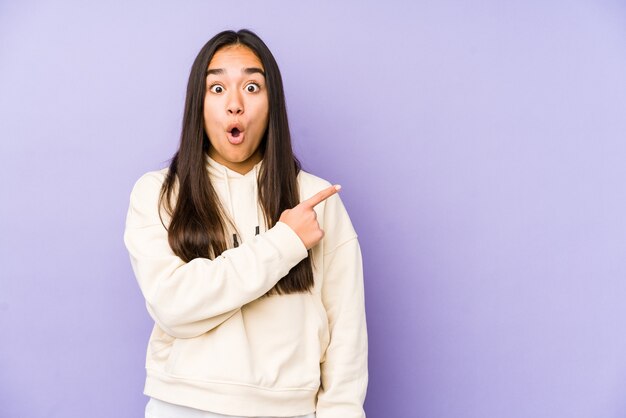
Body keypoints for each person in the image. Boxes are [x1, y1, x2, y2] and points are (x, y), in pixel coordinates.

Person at [123, 29, 368, 418]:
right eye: (217, 88)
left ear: (273, 104)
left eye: (252, 87)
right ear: (197, 104)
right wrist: (286, 242)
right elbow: (173, 305)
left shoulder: (315, 199)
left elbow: (347, 336)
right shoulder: (157, 193)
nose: (235, 104)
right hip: (183, 405)